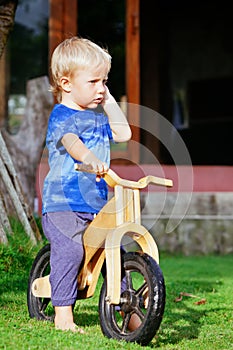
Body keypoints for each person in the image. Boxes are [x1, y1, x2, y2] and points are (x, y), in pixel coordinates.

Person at [42, 37, 133, 333]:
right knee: (70, 249)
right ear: (66, 84)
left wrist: (109, 102)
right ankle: (63, 316)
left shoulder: (96, 117)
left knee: (114, 251)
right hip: (63, 206)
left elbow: (123, 134)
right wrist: (90, 158)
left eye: (104, 80)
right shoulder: (61, 115)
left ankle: (130, 312)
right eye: (93, 81)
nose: (101, 87)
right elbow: (71, 142)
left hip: (94, 206)